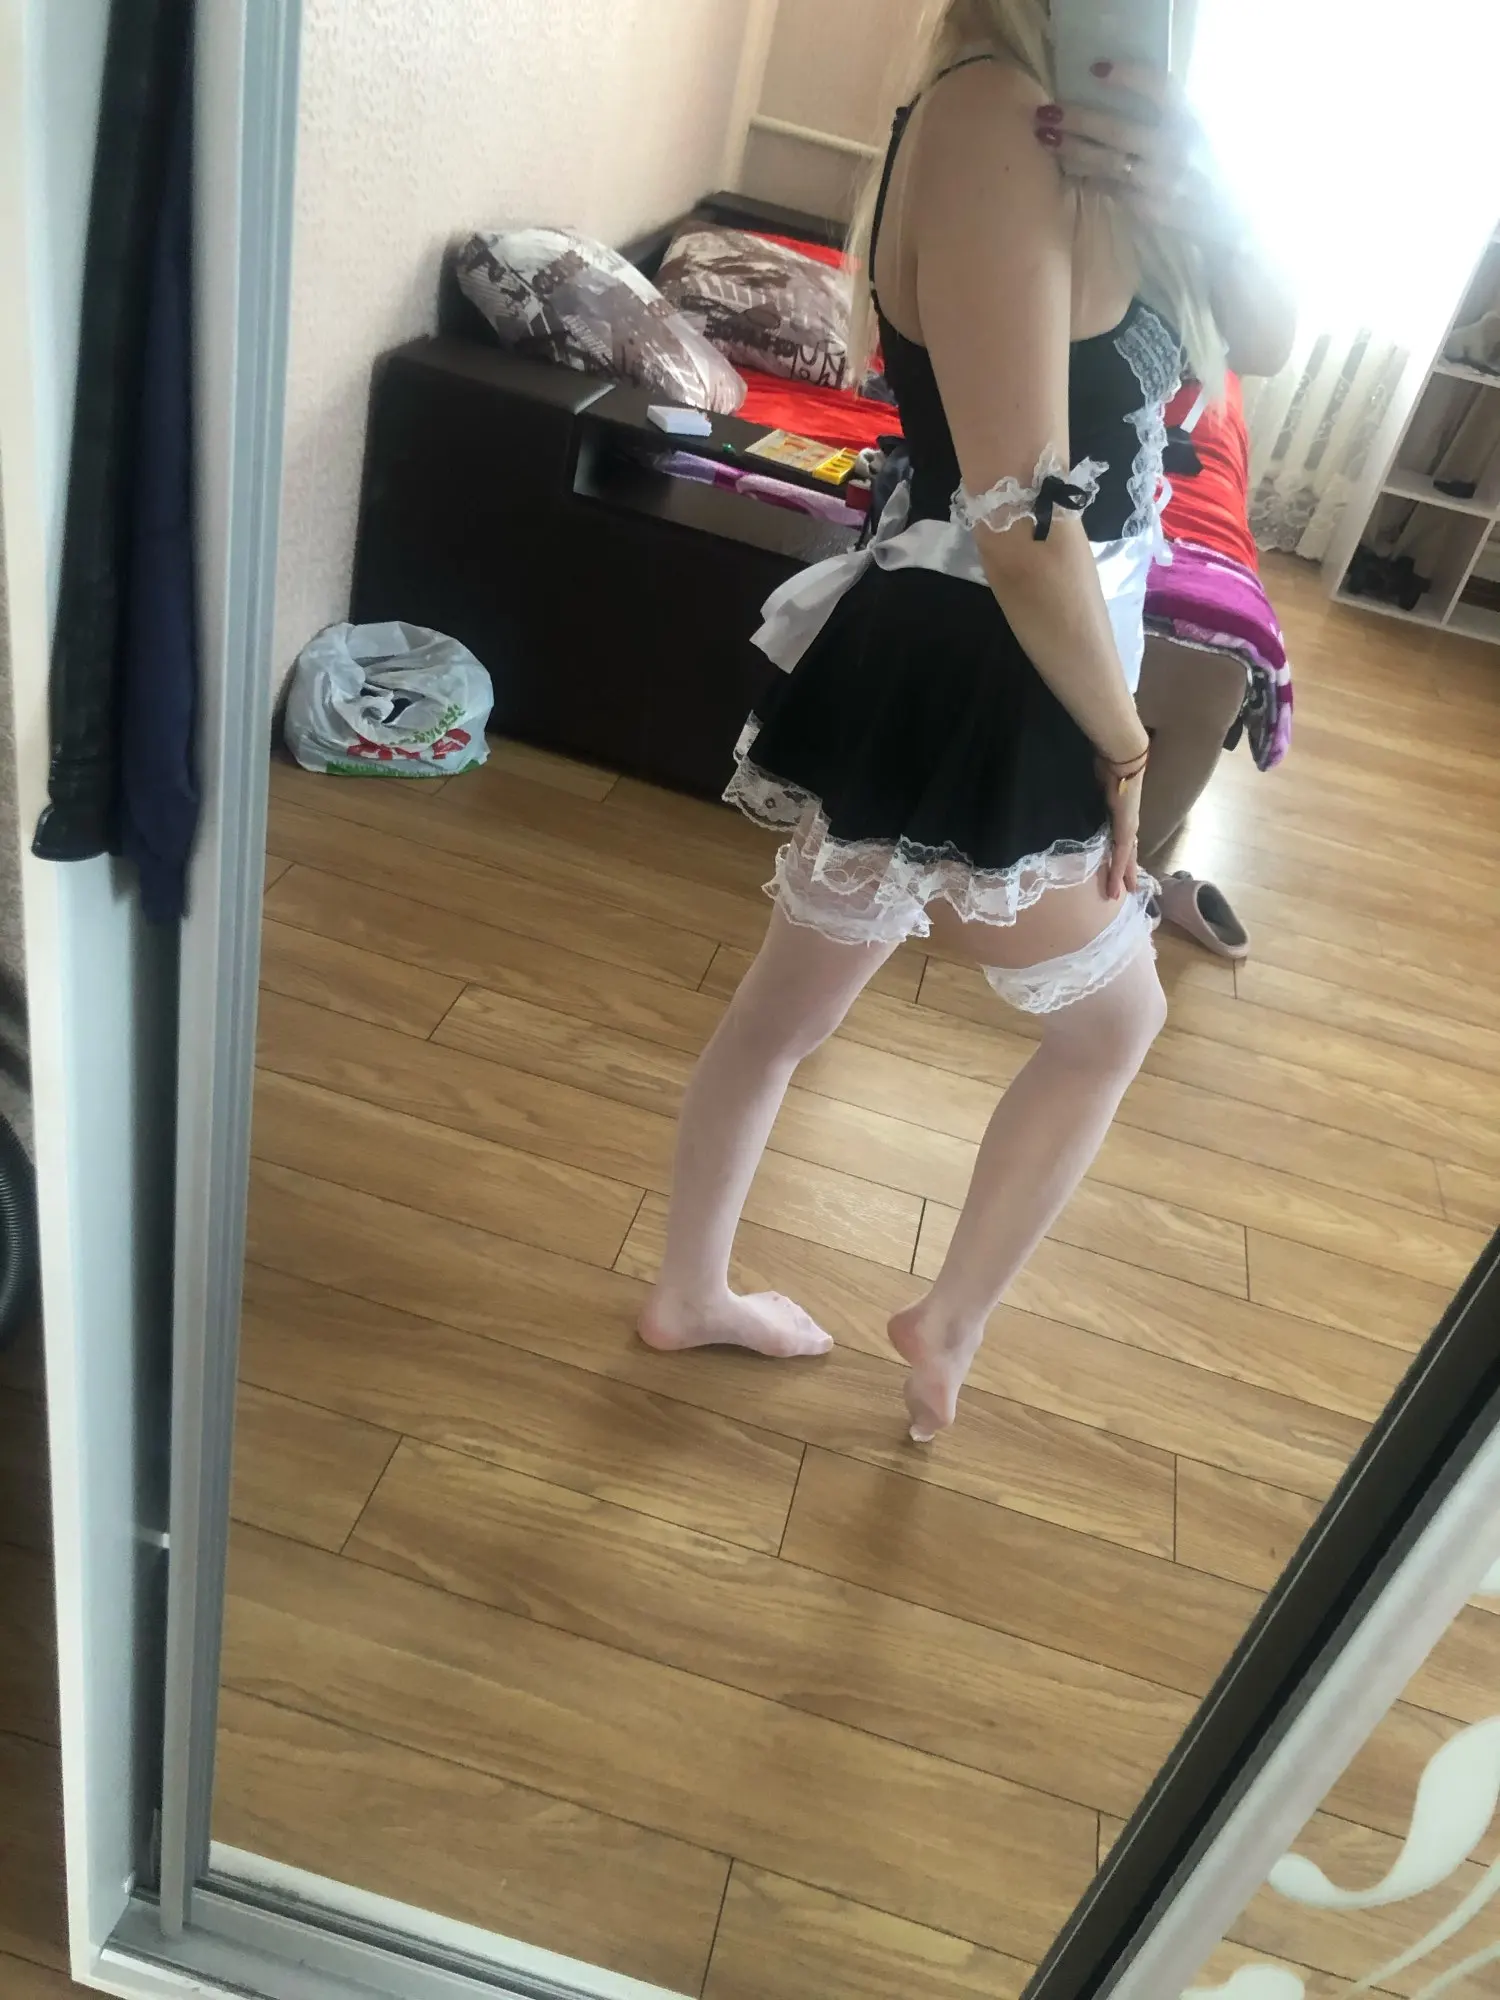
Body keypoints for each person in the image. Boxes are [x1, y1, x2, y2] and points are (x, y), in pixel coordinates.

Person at [639, 0, 1296, 1443]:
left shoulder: (1107, 136)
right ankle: (940, 1322)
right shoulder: (998, 114)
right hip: (994, 659)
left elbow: (1271, 339)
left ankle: (694, 1290)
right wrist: (1125, 741)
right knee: (1112, 1024)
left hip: (1009, 646)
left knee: (788, 1016)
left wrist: (1208, 196)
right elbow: (1016, 523)